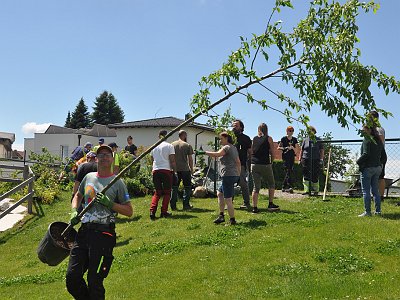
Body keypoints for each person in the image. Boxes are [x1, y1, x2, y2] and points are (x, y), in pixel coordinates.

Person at [66, 144, 133, 300]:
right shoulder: (89, 178)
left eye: (107, 155)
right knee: (72, 278)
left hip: (104, 235)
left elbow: (129, 211)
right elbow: (78, 196)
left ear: (112, 159)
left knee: (94, 281)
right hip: (84, 233)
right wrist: (75, 210)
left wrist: (111, 204)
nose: (104, 157)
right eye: (100, 155)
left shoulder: (117, 183)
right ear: (95, 159)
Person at [201, 131, 240, 225]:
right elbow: (238, 162)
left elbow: (217, 154)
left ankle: (232, 220)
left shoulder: (226, 147)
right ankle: (221, 216)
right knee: (219, 193)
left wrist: (203, 152)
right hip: (232, 175)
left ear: (226, 138)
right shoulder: (233, 148)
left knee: (228, 199)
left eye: (221, 139)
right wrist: (238, 175)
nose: (220, 141)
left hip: (227, 175)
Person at [356, 124, 387, 216]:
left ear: (369, 130)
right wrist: (379, 165)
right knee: (375, 191)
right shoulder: (379, 140)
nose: (362, 132)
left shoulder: (367, 140)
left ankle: (367, 212)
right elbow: (384, 157)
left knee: (366, 191)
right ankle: (378, 212)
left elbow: (366, 154)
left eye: (364, 130)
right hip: (377, 168)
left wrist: (357, 162)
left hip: (367, 168)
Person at [251, 123, 279, 213]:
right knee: (271, 184)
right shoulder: (269, 138)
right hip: (265, 164)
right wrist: (272, 162)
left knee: (256, 187)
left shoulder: (254, 138)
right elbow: (272, 152)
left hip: (254, 164)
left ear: (258, 129)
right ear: (266, 129)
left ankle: (254, 208)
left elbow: (252, 150)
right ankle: (270, 204)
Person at [150, 130, 176, 220]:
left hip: (156, 170)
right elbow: (172, 160)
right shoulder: (169, 146)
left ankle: (152, 211)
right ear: (166, 136)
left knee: (157, 192)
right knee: (167, 192)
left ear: (159, 136)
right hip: (166, 170)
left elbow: (151, 159)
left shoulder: (154, 147)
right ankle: (164, 212)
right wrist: (174, 171)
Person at [170, 130, 194, 211]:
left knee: (174, 188)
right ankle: (186, 205)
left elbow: (170, 157)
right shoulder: (187, 145)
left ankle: (173, 206)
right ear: (185, 135)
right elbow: (190, 159)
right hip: (185, 169)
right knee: (187, 187)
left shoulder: (172, 145)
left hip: (175, 169)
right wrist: (192, 169)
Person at [232, 119, 252, 209]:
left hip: (241, 165)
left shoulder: (246, 138)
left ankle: (246, 203)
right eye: (233, 125)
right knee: (229, 183)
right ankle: (229, 202)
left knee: (243, 183)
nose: (234, 127)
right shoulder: (230, 138)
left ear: (241, 127)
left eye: (236, 125)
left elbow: (250, 152)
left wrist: (250, 163)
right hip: (230, 165)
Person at [299, 126, 324, 195]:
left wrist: (321, 159)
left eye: (311, 131)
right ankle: (306, 190)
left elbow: (321, 150)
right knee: (306, 174)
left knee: (315, 175)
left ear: (314, 132)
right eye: (308, 131)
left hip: (315, 159)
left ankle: (316, 190)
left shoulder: (318, 140)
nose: (309, 132)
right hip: (305, 159)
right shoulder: (305, 140)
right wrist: (300, 159)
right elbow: (302, 149)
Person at [369, 110, 386, 201]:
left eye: (370, 117)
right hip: (373, 155)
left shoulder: (379, 129)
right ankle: (374, 195)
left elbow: (381, 141)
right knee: (373, 176)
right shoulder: (371, 128)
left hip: (379, 154)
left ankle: (381, 196)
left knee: (380, 176)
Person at [278, 126, 298, 193]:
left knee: (289, 170)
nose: (291, 132)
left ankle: (284, 187)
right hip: (285, 157)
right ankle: (289, 186)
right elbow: (279, 147)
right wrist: (285, 148)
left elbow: (297, 150)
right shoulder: (283, 139)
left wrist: (292, 148)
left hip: (292, 157)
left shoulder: (294, 139)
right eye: (290, 130)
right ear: (287, 131)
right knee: (288, 170)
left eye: (292, 131)